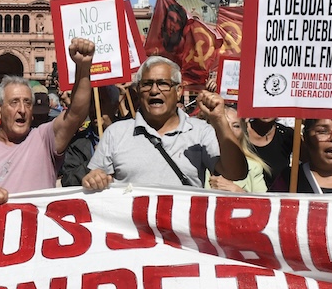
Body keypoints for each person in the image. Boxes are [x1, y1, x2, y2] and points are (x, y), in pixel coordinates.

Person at [80, 56, 249, 191]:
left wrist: (219, 120)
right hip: (135, 232)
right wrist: (95, 178)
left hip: (182, 232)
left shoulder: (200, 132)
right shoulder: (115, 133)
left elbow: (236, 173)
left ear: (178, 91)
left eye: (163, 84)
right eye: (147, 84)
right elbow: (96, 180)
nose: (154, 90)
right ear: (138, 91)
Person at [0, 38, 96, 204]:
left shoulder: (44, 140)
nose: (22, 110)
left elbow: (76, 113)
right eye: (14, 102)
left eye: (27, 103)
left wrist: (83, 68)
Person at [205, 107, 269, 193]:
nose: (229, 130)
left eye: (236, 126)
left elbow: (262, 203)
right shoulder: (198, 161)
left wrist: (238, 191)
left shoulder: (254, 167)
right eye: (222, 124)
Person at [251, 117, 295, 192]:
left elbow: (309, 162)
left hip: (277, 198)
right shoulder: (240, 131)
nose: (267, 111)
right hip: (242, 196)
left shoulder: (287, 135)